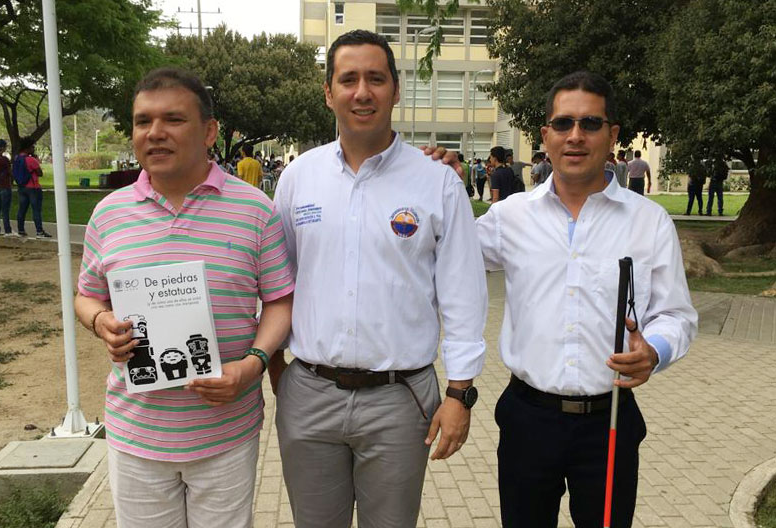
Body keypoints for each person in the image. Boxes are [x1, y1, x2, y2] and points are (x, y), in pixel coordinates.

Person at [272, 29, 487, 528]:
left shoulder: (438, 183)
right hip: (309, 395)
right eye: (348, 79)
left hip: (400, 399)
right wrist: (277, 368)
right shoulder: (298, 178)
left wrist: (459, 395)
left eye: (375, 78)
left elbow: (463, 297)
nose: (362, 91)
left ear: (395, 89)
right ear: (329, 92)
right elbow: (275, 281)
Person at [73, 67, 295, 528]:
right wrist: (101, 323)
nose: (154, 133)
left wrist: (254, 362)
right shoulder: (108, 215)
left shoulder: (255, 210)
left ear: (209, 131)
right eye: (142, 121)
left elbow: (279, 301)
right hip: (136, 433)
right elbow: (86, 296)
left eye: (173, 120)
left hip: (225, 432)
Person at [475, 71, 697, 527]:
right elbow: (439, 260)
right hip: (527, 419)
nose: (575, 136)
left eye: (590, 124)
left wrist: (655, 350)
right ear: (546, 135)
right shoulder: (507, 218)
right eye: (563, 124)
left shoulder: (649, 222)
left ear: (612, 135)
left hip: (610, 419)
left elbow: (676, 313)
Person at [13, 137, 51, 238]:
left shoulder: (17, 159)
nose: (33, 148)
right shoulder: (30, 160)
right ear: (27, 148)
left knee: (22, 209)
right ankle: (39, 231)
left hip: (22, 187)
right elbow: (40, 173)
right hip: (33, 187)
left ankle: (21, 230)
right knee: (36, 210)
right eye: (32, 147)